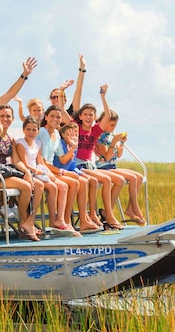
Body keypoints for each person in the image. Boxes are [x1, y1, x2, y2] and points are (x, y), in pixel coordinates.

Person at [0, 105, 41, 241]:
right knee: (25, 186)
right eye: (2, 116)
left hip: (4, 170)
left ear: (12, 119)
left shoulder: (10, 138)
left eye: (8, 116)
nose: (5, 119)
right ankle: (24, 224)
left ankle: (25, 224)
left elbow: (17, 160)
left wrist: (27, 172)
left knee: (30, 183)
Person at [71, 81, 125, 230]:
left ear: (95, 117)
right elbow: (72, 108)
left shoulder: (95, 130)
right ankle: (93, 214)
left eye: (91, 115)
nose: (88, 117)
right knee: (99, 180)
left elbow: (107, 115)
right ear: (81, 116)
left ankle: (107, 214)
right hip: (77, 164)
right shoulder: (76, 127)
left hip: (90, 165)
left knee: (107, 180)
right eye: (86, 114)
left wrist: (103, 97)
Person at [40, 106, 99, 232]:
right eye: (52, 116)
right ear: (46, 117)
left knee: (80, 181)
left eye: (58, 117)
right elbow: (42, 162)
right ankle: (62, 221)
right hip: (43, 169)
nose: (55, 119)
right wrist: (63, 172)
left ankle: (73, 220)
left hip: (52, 169)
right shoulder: (42, 133)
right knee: (71, 183)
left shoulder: (55, 133)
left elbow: (63, 159)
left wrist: (73, 147)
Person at [16, 116, 78, 235]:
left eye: (34, 130)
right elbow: (25, 163)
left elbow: (40, 161)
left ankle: (56, 220)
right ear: (23, 130)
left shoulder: (38, 143)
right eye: (28, 129)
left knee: (59, 186)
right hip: (28, 172)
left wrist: (48, 172)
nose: (31, 132)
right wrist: (39, 172)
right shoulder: (20, 143)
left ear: (37, 131)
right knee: (43, 186)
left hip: (39, 171)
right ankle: (31, 219)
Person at [95, 109, 145, 226]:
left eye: (115, 125)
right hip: (104, 168)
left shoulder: (112, 135)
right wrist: (113, 142)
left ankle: (129, 208)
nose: (114, 127)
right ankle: (133, 209)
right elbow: (107, 157)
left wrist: (121, 143)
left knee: (138, 177)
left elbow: (118, 155)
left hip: (113, 166)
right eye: (112, 124)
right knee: (132, 178)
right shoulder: (101, 137)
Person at [51, 120, 102, 231]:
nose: (73, 136)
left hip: (68, 170)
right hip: (58, 171)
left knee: (88, 180)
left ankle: (85, 218)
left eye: (75, 133)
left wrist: (79, 174)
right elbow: (63, 163)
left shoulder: (74, 144)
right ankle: (67, 219)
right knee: (80, 181)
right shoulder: (62, 145)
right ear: (63, 134)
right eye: (69, 133)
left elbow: (72, 165)